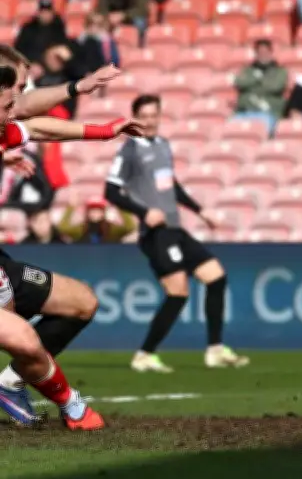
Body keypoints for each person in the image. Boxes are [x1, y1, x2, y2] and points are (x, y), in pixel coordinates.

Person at [0, 62, 144, 430]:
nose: (14, 106)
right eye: (8, 100)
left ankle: (11, 382)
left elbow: (36, 126)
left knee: (81, 302)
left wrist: (103, 131)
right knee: (24, 339)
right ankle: (73, 406)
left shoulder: (6, 129)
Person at [104, 94, 249, 373]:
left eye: (153, 115)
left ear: (160, 116)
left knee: (215, 276)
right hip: (155, 233)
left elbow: (172, 187)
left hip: (175, 228)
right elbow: (110, 191)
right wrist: (143, 212)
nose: (149, 121)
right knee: (178, 293)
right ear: (135, 118)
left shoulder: (163, 145)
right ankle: (144, 354)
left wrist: (200, 211)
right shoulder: (129, 151)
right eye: (143, 116)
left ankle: (215, 350)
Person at [233, 39, 288, 137]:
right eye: (260, 52)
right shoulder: (247, 70)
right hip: (245, 112)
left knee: (261, 133)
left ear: (271, 53)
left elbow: (275, 87)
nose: (263, 55)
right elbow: (239, 83)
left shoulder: (280, 71)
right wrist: (258, 79)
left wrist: (253, 84)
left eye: (266, 52)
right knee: (230, 130)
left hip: (268, 113)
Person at [58, 196, 136, 244]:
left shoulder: (111, 228)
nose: (95, 213)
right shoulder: (81, 228)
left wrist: (120, 205)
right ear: (87, 213)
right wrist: (71, 208)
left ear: (103, 213)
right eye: (92, 210)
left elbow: (130, 227)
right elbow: (63, 228)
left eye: (98, 210)